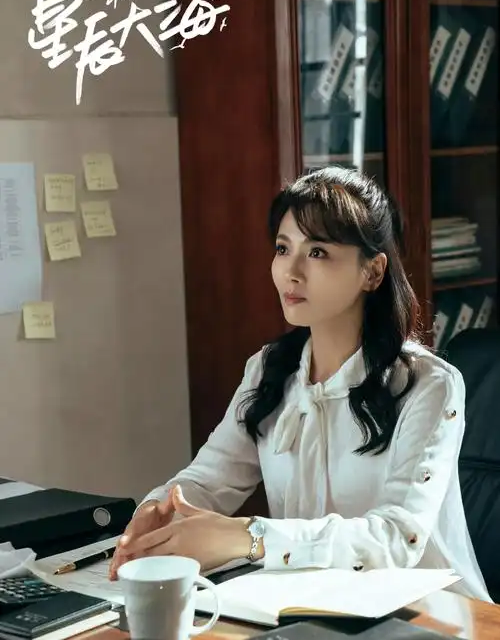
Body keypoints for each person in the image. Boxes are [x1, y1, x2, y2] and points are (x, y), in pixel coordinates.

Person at [109, 166, 491, 602]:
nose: (290, 272)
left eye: (318, 252)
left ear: (372, 272)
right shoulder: (269, 370)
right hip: (308, 607)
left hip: (430, 613)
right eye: (282, 248)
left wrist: (249, 537)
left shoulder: (427, 386)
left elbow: (396, 537)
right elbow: (208, 480)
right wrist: (157, 510)